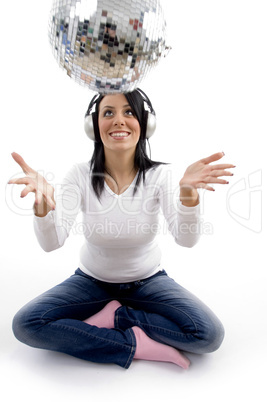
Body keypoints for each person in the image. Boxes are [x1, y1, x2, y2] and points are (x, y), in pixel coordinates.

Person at [9, 89, 235, 370]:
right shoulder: (79, 175)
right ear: (94, 126)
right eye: (108, 113)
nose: (119, 120)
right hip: (91, 282)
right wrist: (42, 206)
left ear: (145, 123)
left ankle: (119, 316)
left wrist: (188, 195)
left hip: (148, 281)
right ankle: (133, 344)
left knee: (208, 336)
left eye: (128, 112)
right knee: (27, 325)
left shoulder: (159, 175)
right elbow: (51, 243)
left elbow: (185, 240)